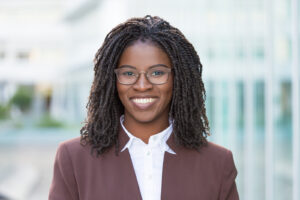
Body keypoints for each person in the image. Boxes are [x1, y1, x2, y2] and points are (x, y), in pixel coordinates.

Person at [49, 15, 239, 200]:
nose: (142, 85)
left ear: (178, 78)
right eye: (129, 73)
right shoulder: (74, 158)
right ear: (112, 80)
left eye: (157, 73)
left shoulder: (217, 163)